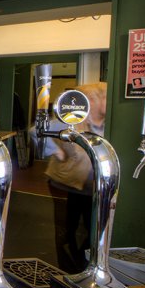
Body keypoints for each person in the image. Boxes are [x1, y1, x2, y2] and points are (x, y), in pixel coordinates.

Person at [43, 82, 107, 271]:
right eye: (104, 97)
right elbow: (36, 131)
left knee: (91, 229)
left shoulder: (108, 124)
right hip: (66, 184)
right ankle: (68, 270)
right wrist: (57, 152)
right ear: (93, 100)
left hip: (93, 188)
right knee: (67, 229)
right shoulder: (70, 119)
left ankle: (84, 266)